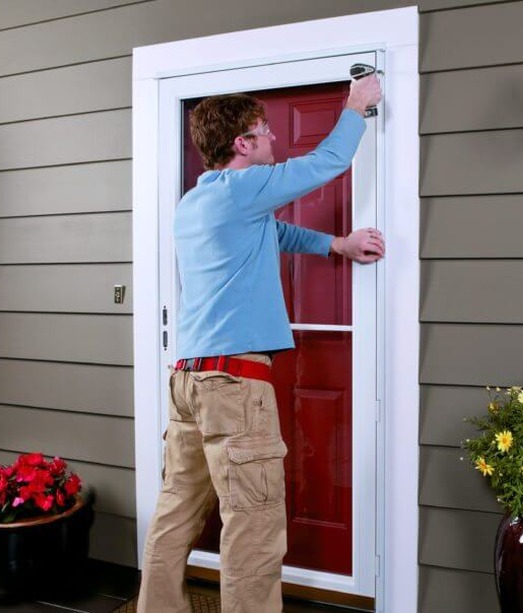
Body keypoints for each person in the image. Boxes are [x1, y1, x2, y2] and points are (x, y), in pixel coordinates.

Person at [137, 74, 384, 613]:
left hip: (187, 382)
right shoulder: (244, 188)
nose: (274, 137)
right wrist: (357, 106)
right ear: (241, 144)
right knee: (253, 525)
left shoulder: (198, 201)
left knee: (176, 510)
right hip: (233, 386)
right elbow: (324, 165)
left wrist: (337, 244)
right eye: (263, 129)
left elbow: (274, 233)